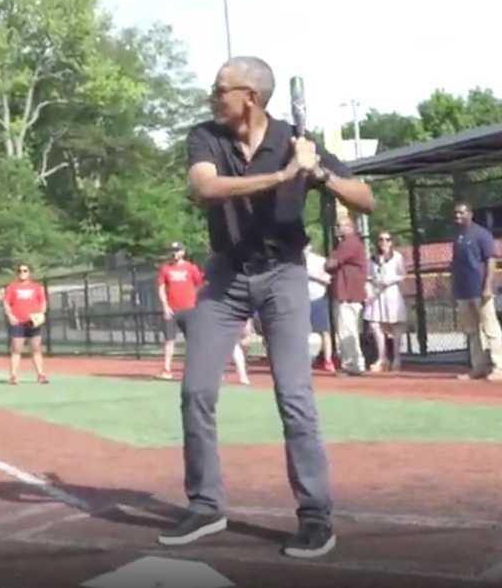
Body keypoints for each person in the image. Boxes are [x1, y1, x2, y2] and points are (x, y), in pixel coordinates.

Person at [157, 56, 374, 560]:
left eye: (220, 90)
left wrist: (317, 171)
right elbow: (204, 187)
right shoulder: (207, 137)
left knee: (294, 396)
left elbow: (367, 200)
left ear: (250, 97)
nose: (213, 97)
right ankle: (206, 504)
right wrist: (283, 177)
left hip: (283, 275)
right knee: (195, 392)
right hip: (227, 275)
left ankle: (316, 514)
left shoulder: (296, 140)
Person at [450, 202, 502, 382]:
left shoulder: (482, 234)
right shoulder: (457, 236)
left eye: (461, 213)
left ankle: (499, 367)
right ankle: (478, 367)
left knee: (491, 329)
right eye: (456, 213)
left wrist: (488, 286)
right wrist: (454, 289)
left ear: (470, 214)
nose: (458, 216)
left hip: (480, 289)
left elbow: (490, 260)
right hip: (463, 291)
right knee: (472, 331)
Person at [324, 217, 369, 376]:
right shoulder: (346, 243)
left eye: (339, 225)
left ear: (350, 227)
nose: (336, 228)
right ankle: (353, 363)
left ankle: (353, 365)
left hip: (349, 294)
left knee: (347, 330)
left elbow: (330, 264)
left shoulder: (349, 242)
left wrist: (331, 260)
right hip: (347, 293)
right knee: (347, 330)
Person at [157, 242, 205, 381]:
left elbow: (200, 284)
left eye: (177, 250)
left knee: (193, 341)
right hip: (171, 310)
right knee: (169, 341)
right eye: (172, 251)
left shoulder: (191, 268)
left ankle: (195, 370)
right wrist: (165, 306)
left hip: (189, 310)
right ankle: (166, 370)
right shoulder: (165, 268)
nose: (174, 253)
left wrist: (198, 303)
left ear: (183, 252)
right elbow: (161, 288)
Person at [367, 231, 408, 372]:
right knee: (375, 325)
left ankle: (397, 358)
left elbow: (402, 275)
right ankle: (382, 358)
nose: (384, 242)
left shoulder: (397, 257)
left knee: (395, 326)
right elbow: (369, 277)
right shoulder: (372, 258)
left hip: (392, 293)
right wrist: (370, 292)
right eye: (381, 239)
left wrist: (390, 280)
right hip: (377, 294)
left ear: (391, 242)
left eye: (387, 239)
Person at [3, 264, 49, 385]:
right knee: (16, 349)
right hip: (18, 323)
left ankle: (41, 375)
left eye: (25, 270)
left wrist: (42, 314)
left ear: (29, 272)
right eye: (19, 271)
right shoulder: (12, 287)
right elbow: (6, 303)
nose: (22, 272)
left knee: (36, 349)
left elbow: (43, 302)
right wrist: (10, 315)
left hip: (33, 322)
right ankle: (13, 376)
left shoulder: (37, 287)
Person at [305, 243, 335, 373]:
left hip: (318, 298)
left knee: (324, 331)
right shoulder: (294, 262)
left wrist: (313, 275)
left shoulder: (319, 260)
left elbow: (329, 279)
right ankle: (307, 361)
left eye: (305, 246)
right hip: (302, 300)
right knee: (304, 331)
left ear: (310, 246)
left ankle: (328, 360)